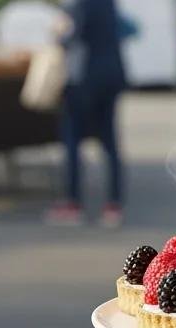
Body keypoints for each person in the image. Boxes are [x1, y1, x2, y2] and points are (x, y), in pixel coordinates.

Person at [46, 0, 130, 227]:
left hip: (83, 78)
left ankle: (73, 203)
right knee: (110, 142)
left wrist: (58, 33)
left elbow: (71, 36)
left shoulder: (76, 4)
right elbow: (126, 28)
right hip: (112, 75)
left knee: (72, 139)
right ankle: (114, 204)